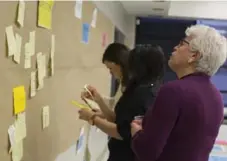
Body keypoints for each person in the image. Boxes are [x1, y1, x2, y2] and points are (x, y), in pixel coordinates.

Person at [131, 24, 227, 161]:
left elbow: (147, 151)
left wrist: (136, 133)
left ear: (194, 56)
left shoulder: (173, 91)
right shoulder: (216, 97)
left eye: (182, 43)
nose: (175, 47)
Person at [78, 45, 165, 161]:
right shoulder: (143, 88)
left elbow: (122, 131)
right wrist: (98, 100)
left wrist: (92, 118)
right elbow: (117, 118)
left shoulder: (140, 94)